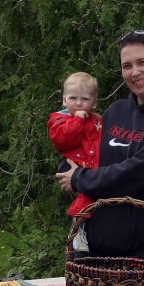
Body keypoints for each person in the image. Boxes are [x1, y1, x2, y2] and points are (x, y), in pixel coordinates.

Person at [56, 30, 144, 259]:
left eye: (142, 62)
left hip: (143, 256)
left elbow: (141, 171)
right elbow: (85, 154)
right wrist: (68, 169)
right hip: (91, 250)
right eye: (127, 65)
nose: (135, 72)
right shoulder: (116, 111)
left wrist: (81, 178)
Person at [47, 71, 102, 217]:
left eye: (85, 99)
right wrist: (78, 120)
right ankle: (80, 220)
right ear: (64, 100)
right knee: (87, 199)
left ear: (94, 103)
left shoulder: (97, 120)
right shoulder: (59, 120)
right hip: (79, 164)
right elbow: (64, 139)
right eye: (73, 98)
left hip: (96, 164)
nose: (78, 103)